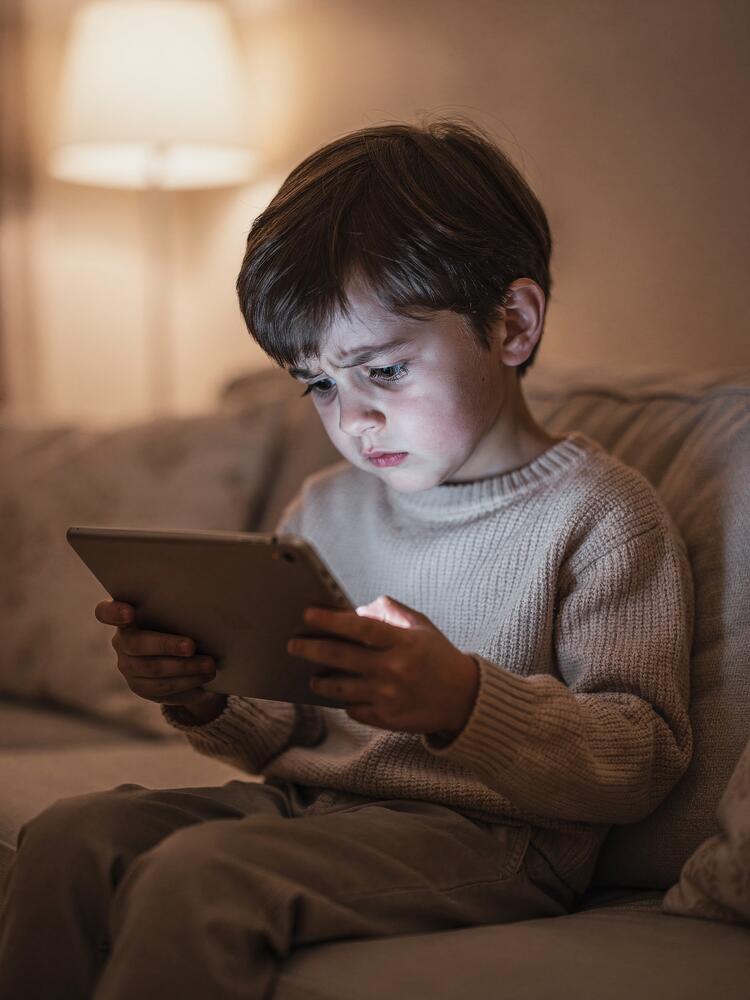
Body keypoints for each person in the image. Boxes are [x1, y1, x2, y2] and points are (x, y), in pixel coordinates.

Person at [0, 119, 694, 1000]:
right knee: (68, 839)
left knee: (202, 874)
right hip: (321, 807)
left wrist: (464, 701)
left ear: (512, 325)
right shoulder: (326, 505)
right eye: (320, 383)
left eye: (385, 370)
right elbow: (289, 728)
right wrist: (204, 692)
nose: (353, 417)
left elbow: (641, 758)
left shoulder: (600, 514)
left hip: (494, 840)